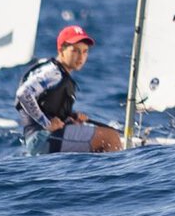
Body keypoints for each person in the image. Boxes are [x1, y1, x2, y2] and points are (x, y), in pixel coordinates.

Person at [14, 26, 123, 154]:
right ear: (61, 50)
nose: (81, 57)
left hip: (44, 138)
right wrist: (46, 123)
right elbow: (23, 93)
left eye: (85, 51)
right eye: (75, 51)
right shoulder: (53, 73)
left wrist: (70, 118)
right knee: (111, 137)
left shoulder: (55, 70)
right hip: (43, 139)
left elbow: (46, 105)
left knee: (103, 137)